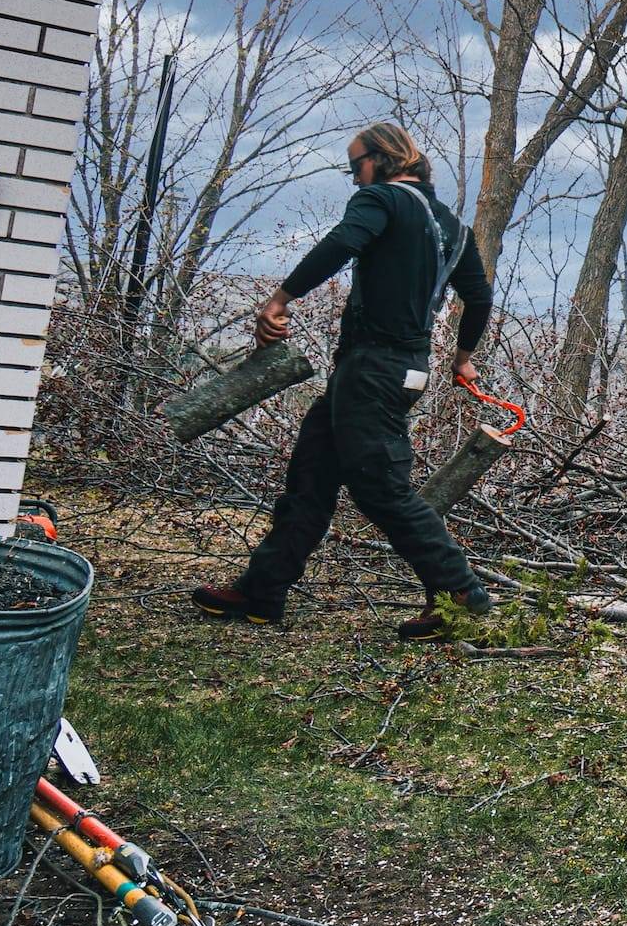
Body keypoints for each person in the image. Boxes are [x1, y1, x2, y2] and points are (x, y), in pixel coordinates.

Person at [191, 125, 499, 642]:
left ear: (385, 159)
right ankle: (262, 591)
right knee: (310, 479)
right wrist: (462, 360)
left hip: (372, 370)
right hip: (398, 370)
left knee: (382, 490)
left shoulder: (382, 199)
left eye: (355, 166)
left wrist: (281, 298)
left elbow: (342, 242)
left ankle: (460, 591)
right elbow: (479, 297)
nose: (354, 180)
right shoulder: (453, 227)